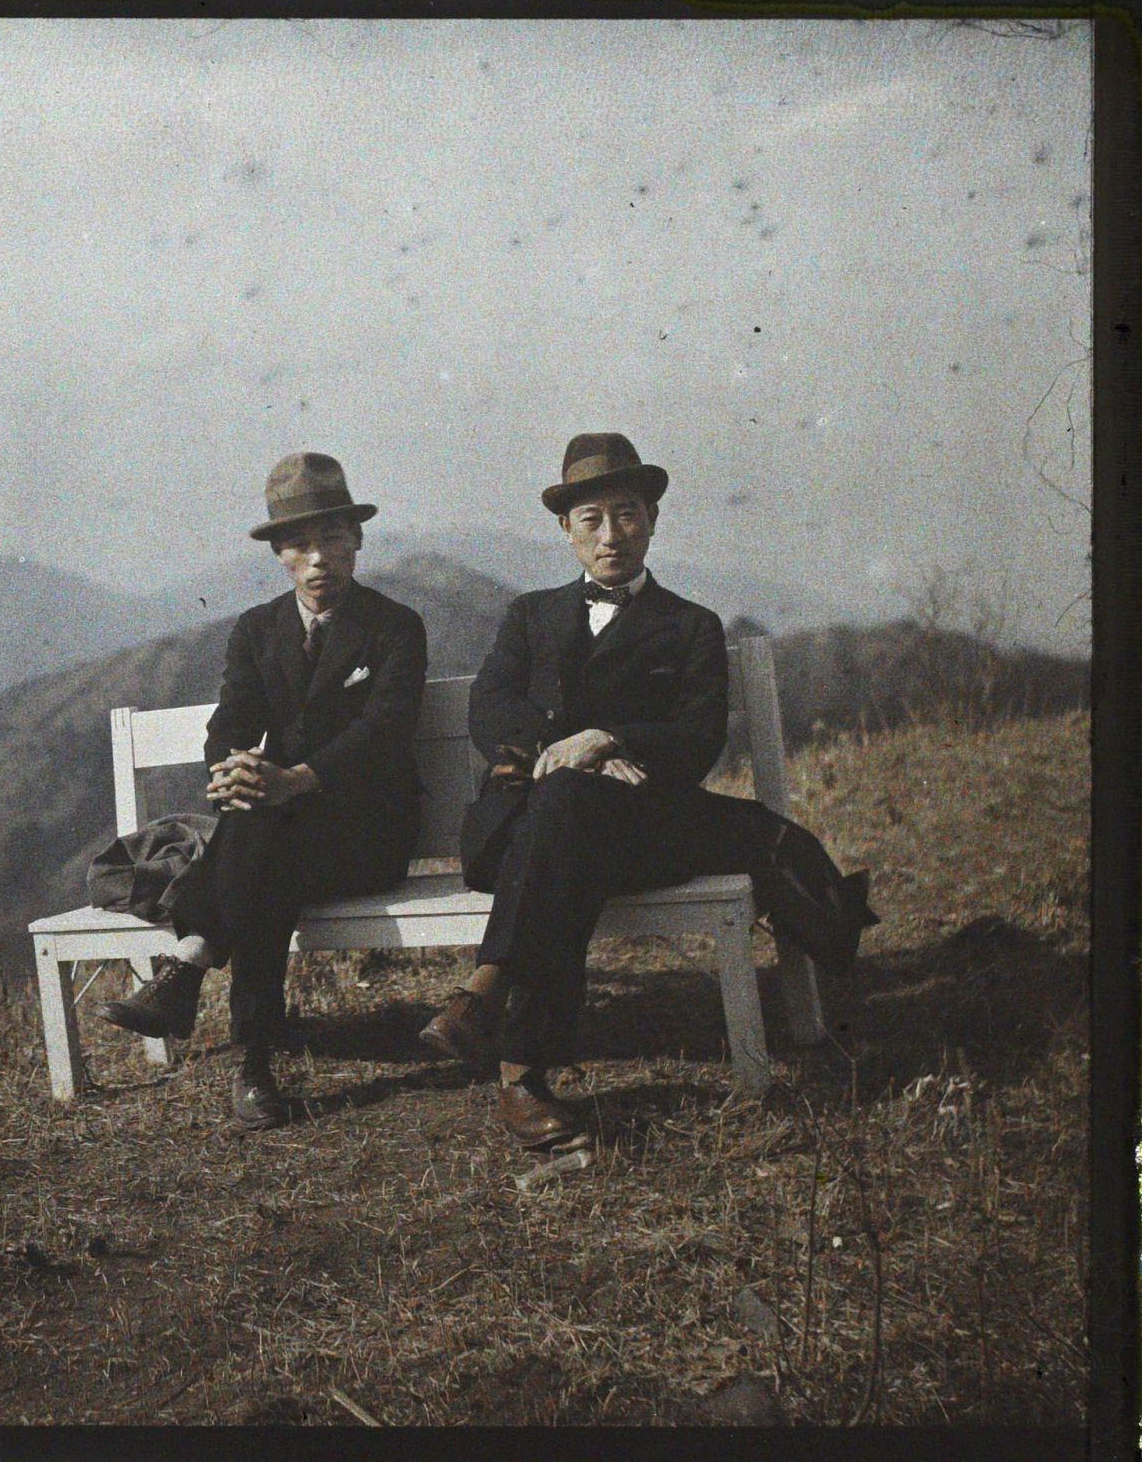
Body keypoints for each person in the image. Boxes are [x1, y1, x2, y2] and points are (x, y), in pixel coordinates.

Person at [419, 433, 875, 1150]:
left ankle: (505, 1035)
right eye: (592, 519)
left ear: (653, 519)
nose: (611, 535)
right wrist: (572, 753)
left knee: (565, 820)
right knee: (563, 812)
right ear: (565, 529)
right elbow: (491, 708)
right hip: (517, 828)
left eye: (627, 514)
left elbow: (697, 737)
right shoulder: (530, 616)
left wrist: (610, 739)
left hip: (638, 832)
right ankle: (512, 1053)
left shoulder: (690, 626)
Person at [96, 452, 428, 1129]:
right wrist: (230, 771)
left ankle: (194, 966)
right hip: (276, 833)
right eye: (300, 543)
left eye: (332, 537)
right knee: (259, 841)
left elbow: (382, 730)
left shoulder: (395, 627)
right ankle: (252, 1057)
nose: (318, 558)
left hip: (367, 832)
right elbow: (231, 722)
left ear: (357, 539)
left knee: (257, 842)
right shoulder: (258, 630)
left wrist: (295, 779)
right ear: (279, 553)